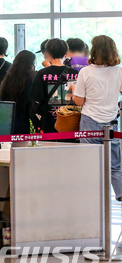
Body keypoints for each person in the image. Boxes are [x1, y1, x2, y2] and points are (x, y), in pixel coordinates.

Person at [73, 35, 122, 201]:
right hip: (112, 122)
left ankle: (92, 198)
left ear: (93, 51)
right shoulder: (119, 71)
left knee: (90, 162)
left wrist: (74, 91)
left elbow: (79, 100)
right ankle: (120, 194)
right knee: (115, 164)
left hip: (90, 120)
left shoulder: (85, 72)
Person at [29, 38, 79, 134]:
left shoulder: (42, 74)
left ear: (47, 54)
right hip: (70, 122)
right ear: (66, 54)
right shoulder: (75, 73)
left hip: (48, 122)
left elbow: (36, 99)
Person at [0, 50, 37, 135]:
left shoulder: (8, 78)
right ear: (30, 64)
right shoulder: (30, 79)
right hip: (24, 122)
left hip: (8, 121)